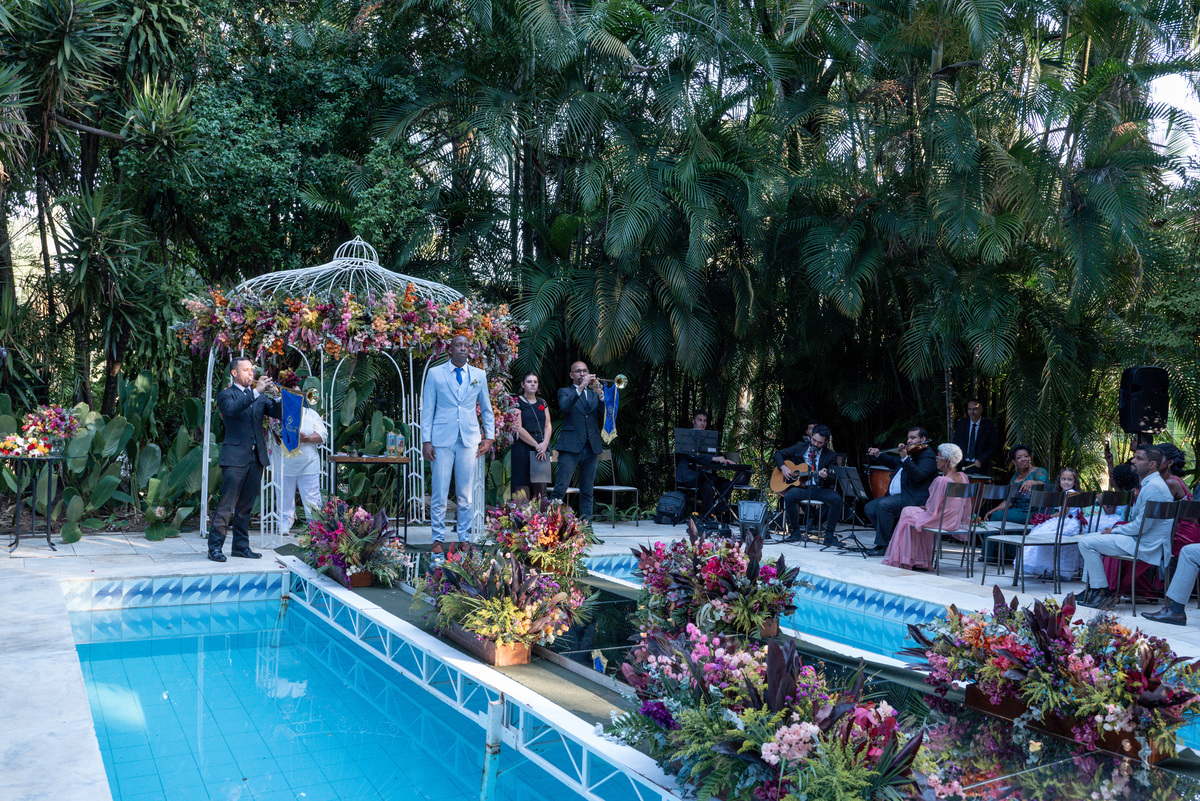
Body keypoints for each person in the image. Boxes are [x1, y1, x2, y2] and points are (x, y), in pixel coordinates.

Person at [422, 334, 495, 562]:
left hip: (469, 439)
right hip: (441, 440)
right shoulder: (435, 373)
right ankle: (437, 539)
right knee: (439, 492)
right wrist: (426, 440)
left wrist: (490, 437)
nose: (463, 348)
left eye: (466, 345)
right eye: (458, 345)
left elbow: (486, 408)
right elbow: (428, 409)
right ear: (450, 350)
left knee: (465, 494)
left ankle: (464, 537)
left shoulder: (479, 375)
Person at [1077, 446, 1174, 608]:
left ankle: (1102, 593)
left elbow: (1141, 526)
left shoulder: (1154, 487)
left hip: (1145, 544)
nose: (1133, 461)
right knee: (1090, 538)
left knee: (1086, 543)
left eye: (1139, 458)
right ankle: (1095, 590)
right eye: (1134, 457)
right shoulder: (1152, 484)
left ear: (1152, 465)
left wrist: (1115, 530)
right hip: (1142, 539)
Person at [208, 357, 281, 562]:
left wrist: (280, 398)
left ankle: (240, 547)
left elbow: (278, 413)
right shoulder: (226, 395)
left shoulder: (260, 396)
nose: (251, 373)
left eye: (252, 370)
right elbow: (233, 410)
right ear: (234, 373)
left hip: (256, 458)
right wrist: (256, 391)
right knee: (226, 505)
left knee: (246, 507)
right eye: (246, 370)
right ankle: (215, 548)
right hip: (234, 458)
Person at [1102, 442, 1197, 596]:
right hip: (1173, 527)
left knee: (1126, 533)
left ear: (1169, 462)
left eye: (1159, 457)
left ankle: (1118, 586)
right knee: (1123, 529)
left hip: (1181, 532)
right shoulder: (1166, 480)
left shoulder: (1168, 483)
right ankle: (1125, 586)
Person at [881, 443, 971, 570]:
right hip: (954, 520)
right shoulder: (963, 477)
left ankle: (905, 558)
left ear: (947, 462)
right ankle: (917, 559)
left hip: (941, 520)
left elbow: (933, 508)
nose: (936, 460)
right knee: (910, 516)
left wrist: (926, 507)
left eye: (938, 457)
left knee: (907, 512)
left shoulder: (942, 480)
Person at [863, 427, 938, 556]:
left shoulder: (928, 456)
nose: (909, 441)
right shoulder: (911, 453)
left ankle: (882, 546)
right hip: (900, 496)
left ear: (923, 439)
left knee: (884, 505)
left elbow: (919, 475)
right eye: (908, 438)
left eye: (913, 438)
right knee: (870, 508)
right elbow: (893, 462)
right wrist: (878, 455)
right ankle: (893, 540)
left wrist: (905, 459)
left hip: (914, 498)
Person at [551, 361, 605, 521]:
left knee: (587, 491)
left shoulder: (594, 394)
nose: (582, 374)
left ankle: (587, 527)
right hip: (570, 447)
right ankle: (549, 524)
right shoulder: (564, 392)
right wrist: (581, 387)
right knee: (560, 488)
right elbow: (565, 407)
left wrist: (601, 395)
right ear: (571, 375)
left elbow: (605, 416)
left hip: (591, 447)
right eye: (578, 371)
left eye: (585, 371)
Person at [774, 424, 843, 547]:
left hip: (818, 489)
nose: (815, 444)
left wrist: (825, 476)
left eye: (819, 442)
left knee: (837, 499)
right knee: (789, 496)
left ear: (826, 442)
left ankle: (829, 536)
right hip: (802, 487)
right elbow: (778, 454)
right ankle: (795, 533)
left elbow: (833, 477)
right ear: (810, 436)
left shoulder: (830, 455)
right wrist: (783, 467)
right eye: (814, 440)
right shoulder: (800, 447)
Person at [978, 445, 1049, 562]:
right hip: (1017, 509)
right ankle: (997, 554)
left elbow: (1045, 485)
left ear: (1030, 458)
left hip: (1034, 511)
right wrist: (993, 510)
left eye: (1026, 456)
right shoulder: (1015, 477)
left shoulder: (1039, 471)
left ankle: (991, 555)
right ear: (1014, 461)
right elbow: (1009, 501)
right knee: (995, 515)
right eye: (1019, 457)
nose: (1023, 459)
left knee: (997, 517)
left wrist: (1033, 482)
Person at [675, 409, 747, 520]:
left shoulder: (708, 438)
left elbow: (712, 456)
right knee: (707, 485)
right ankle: (708, 516)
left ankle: (716, 512)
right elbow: (693, 456)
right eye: (699, 420)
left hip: (704, 475)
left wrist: (724, 460)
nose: (702, 423)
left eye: (704, 421)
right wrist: (714, 458)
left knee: (727, 484)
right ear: (693, 422)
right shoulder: (686, 437)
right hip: (688, 476)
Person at [1017, 467, 1085, 581]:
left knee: (1041, 532)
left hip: (1067, 523)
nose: (1066, 482)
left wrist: (1047, 517)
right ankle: (1048, 567)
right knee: (1041, 530)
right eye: (1064, 479)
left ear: (1074, 482)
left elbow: (1063, 513)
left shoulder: (1070, 494)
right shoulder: (1067, 493)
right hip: (1070, 523)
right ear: (1059, 480)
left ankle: (1044, 566)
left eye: (1069, 480)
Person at [276, 399, 327, 532]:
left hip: (308, 463)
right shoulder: (278, 413)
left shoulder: (311, 414)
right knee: (284, 495)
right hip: (284, 463)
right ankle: (284, 524)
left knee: (312, 497)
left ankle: (315, 527)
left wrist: (308, 438)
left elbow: (323, 434)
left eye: (298, 394)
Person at [510, 373, 552, 500]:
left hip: (541, 449)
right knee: (521, 486)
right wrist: (536, 445)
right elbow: (517, 427)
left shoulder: (542, 402)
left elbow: (548, 424)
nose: (533, 384)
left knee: (540, 488)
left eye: (535, 382)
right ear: (523, 384)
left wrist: (544, 444)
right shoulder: (516, 402)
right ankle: (521, 512)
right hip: (523, 447)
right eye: (529, 382)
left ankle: (539, 513)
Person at [951, 400, 999, 474]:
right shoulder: (961, 424)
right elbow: (955, 444)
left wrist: (981, 459)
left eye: (975, 409)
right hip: (963, 465)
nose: (972, 412)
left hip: (981, 466)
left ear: (981, 410)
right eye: (969, 409)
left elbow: (993, 448)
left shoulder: (989, 426)